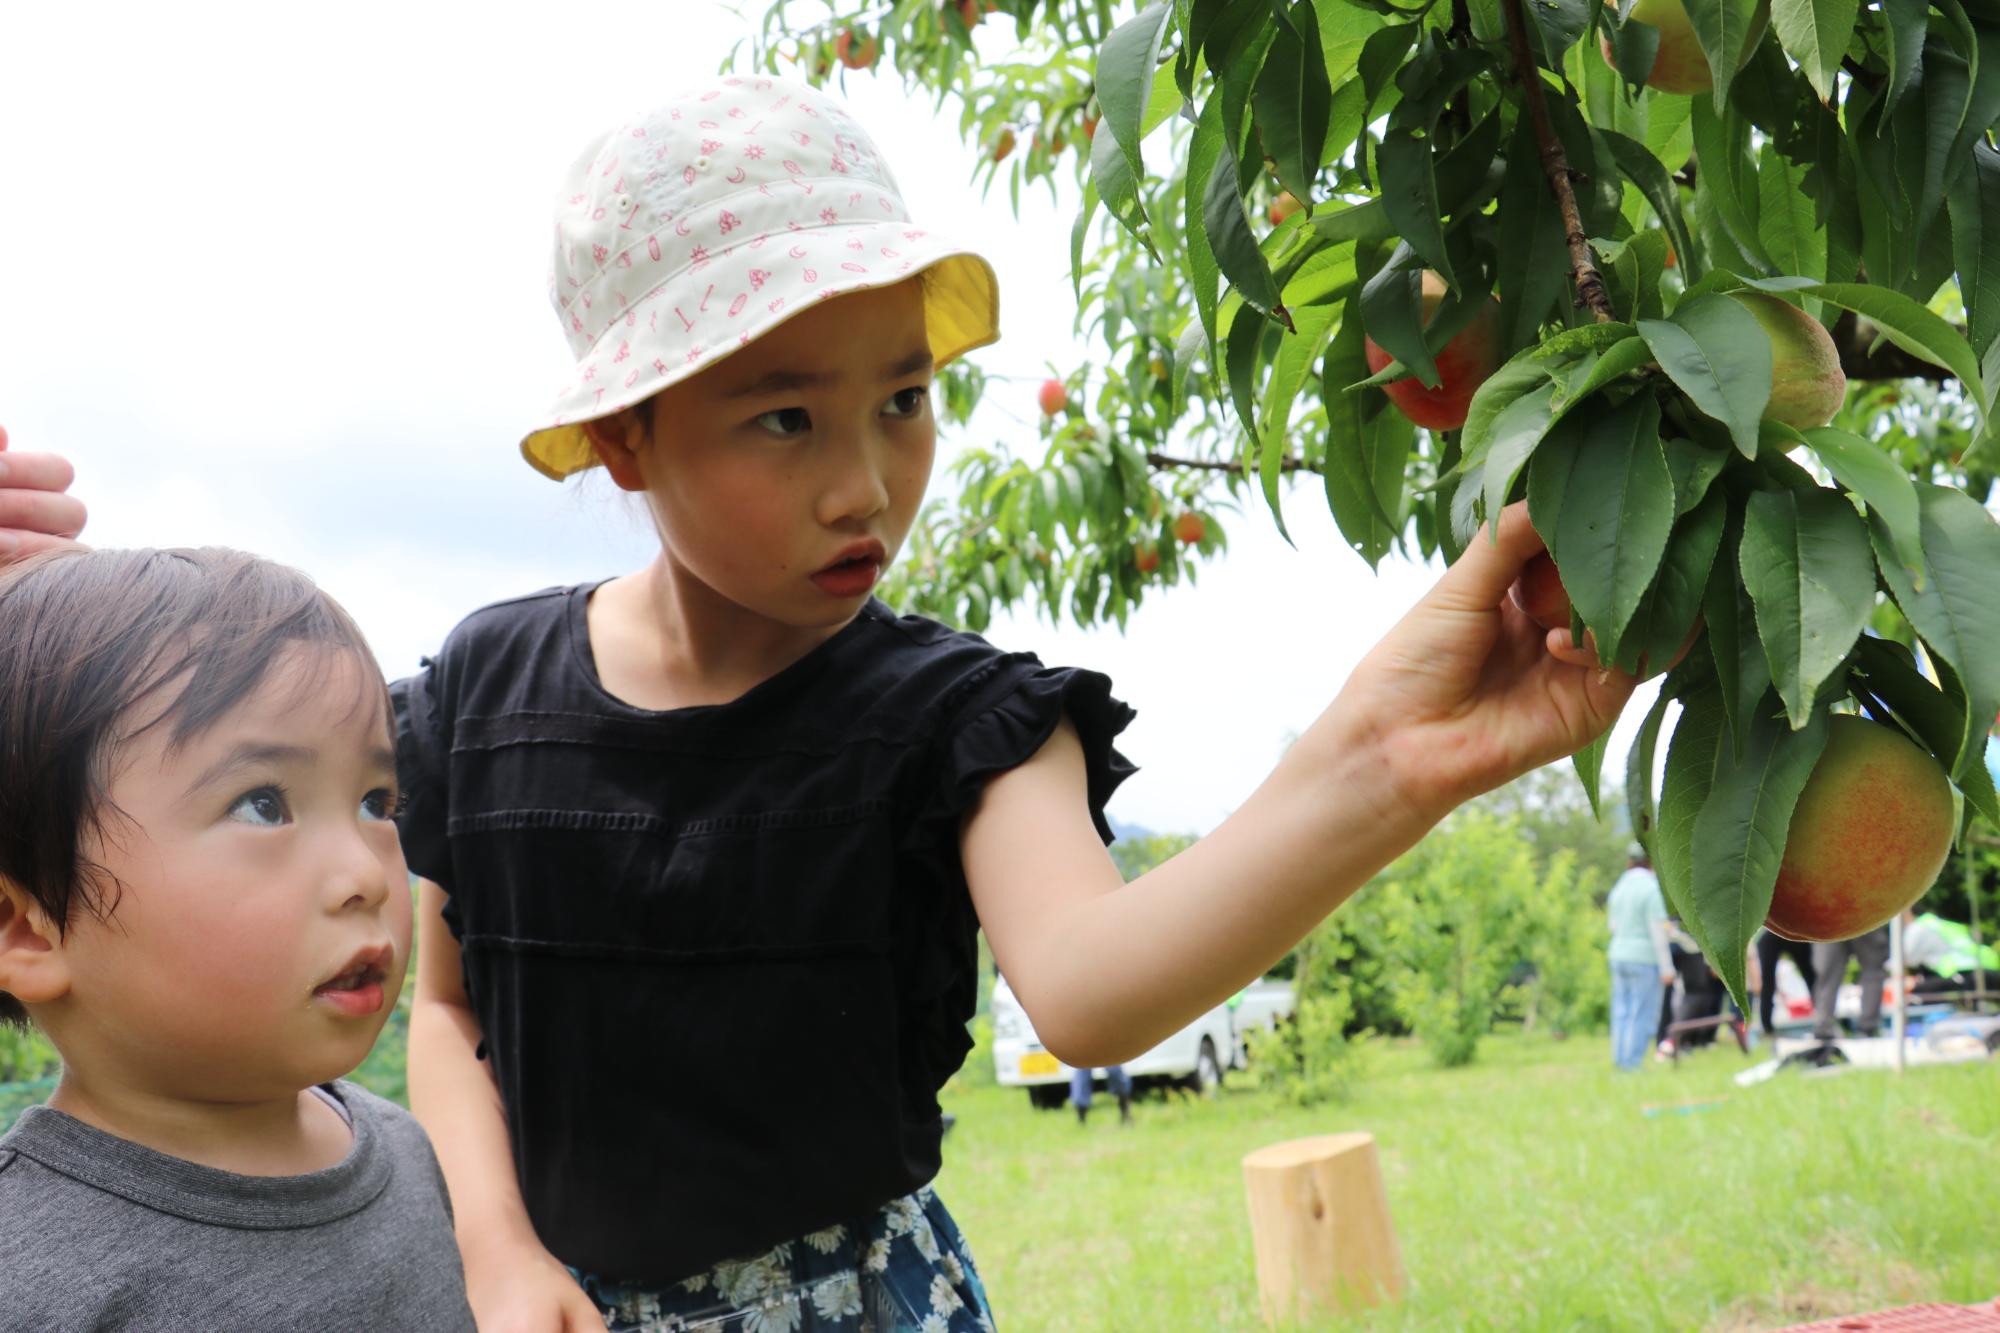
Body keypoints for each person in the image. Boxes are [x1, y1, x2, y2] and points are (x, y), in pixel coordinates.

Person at [0, 76, 1637, 1331]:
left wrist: (1386, 761)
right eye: (785, 418)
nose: (870, 481)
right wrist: (495, 1248)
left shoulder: (952, 718)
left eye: (905, 401)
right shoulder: (484, 696)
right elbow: (448, 1012)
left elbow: (1090, 984)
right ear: (629, 438)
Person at [0, 548, 473, 1329]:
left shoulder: (402, 1147)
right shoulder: (28, 1274)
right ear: (27, 927)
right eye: (263, 803)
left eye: (375, 801)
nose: (366, 872)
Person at [1604, 845, 1675, 1071]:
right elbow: (1657, 931)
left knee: (1621, 1011)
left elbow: (1612, 925)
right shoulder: (1650, 888)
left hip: (1618, 953)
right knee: (1642, 1012)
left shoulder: (1619, 887)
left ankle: (1621, 1059)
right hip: (1643, 958)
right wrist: (1667, 968)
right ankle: (1632, 1063)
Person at [1812, 924, 1892, 1042]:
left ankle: (1823, 1025)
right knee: (1872, 971)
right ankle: (1868, 1027)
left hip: (1830, 918)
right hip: (1865, 914)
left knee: (1828, 975)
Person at [1750, 925, 1818, 1035]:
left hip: (1795, 931)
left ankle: (1823, 1017)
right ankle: (1766, 1026)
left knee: (1810, 976)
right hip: (1775, 932)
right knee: (1768, 982)